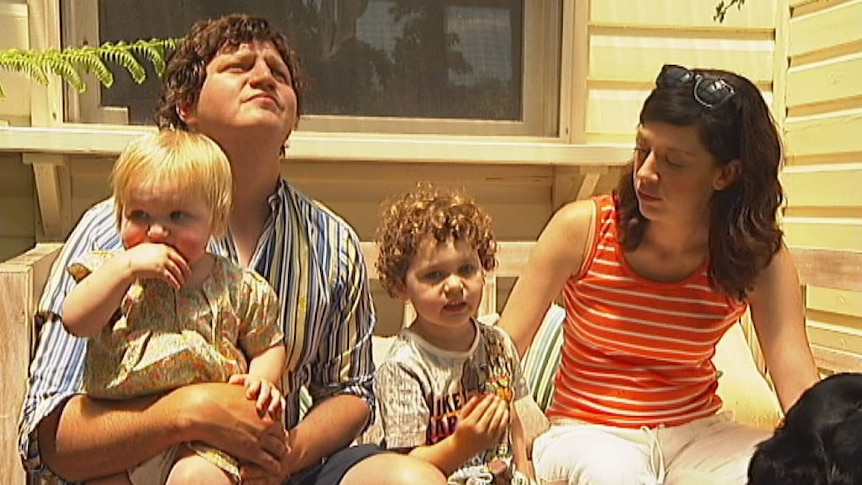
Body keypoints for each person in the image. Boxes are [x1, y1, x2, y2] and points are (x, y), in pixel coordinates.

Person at [18, 13, 446, 485]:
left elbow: (353, 392)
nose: (263, 76)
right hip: (144, 469)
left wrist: (287, 453)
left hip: (284, 469)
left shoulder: (332, 243)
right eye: (239, 67)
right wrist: (188, 411)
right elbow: (48, 439)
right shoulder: (116, 231)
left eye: (279, 75)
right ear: (187, 105)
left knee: (412, 480)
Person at [497, 64, 820, 485]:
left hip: (699, 436)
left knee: (774, 475)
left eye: (674, 161)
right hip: (589, 434)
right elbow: (498, 358)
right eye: (641, 149)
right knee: (617, 475)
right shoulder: (583, 229)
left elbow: (800, 390)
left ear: (726, 174)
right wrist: (512, 453)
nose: (646, 172)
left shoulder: (757, 257)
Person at [61, 130, 286, 485]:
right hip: (121, 432)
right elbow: (75, 320)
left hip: (203, 444)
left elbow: (269, 342)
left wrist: (262, 379)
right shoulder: (113, 274)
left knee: (198, 479)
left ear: (216, 220)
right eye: (139, 215)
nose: (156, 232)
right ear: (119, 216)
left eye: (178, 216)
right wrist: (123, 269)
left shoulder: (238, 286)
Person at [374, 184, 533, 485]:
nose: (455, 286)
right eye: (434, 275)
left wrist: (526, 472)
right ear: (401, 286)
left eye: (466, 269)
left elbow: (512, 421)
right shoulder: (403, 367)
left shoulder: (498, 345)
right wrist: (462, 445)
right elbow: (407, 466)